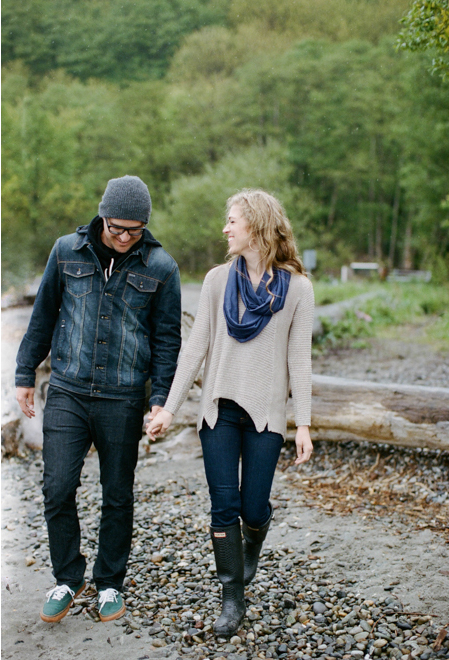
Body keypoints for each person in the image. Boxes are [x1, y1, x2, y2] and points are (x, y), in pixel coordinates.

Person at [146, 188, 314, 637]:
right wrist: (168, 407)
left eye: (232, 221)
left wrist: (305, 425)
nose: (225, 228)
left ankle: (254, 537)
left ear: (256, 226)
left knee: (253, 506)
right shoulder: (217, 280)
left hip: (266, 416)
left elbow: (300, 360)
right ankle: (232, 597)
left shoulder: (298, 288)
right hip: (218, 411)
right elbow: (195, 348)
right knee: (224, 506)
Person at [15, 175, 182, 624]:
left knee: (117, 494)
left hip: (125, 398)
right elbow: (44, 314)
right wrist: (24, 373)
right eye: (116, 228)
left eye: (135, 230)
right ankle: (68, 578)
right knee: (57, 487)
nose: (125, 238)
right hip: (68, 389)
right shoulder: (66, 251)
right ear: (102, 217)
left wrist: (160, 400)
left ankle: (110, 584)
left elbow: (168, 341)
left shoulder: (161, 267)